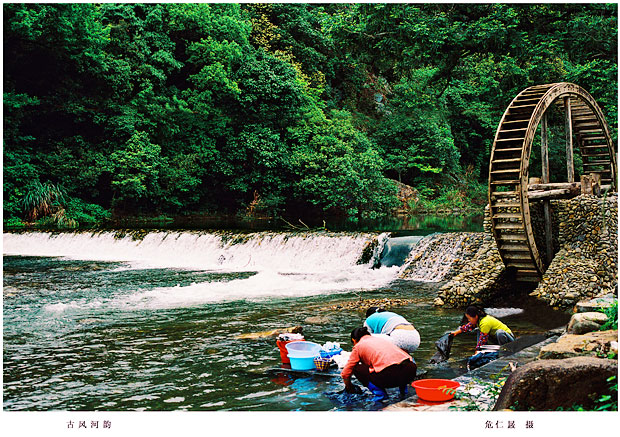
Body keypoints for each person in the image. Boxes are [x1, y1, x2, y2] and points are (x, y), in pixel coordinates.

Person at [341, 327, 417, 401]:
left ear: (354, 340)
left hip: (391, 374)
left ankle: (380, 395)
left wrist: (349, 386)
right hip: (410, 371)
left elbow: (346, 372)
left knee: (356, 368)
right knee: (398, 364)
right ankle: (404, 392)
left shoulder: (358, 346)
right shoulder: (381, 340)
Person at [450, 305, 515, 351]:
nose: (468, 320)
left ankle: (504, 350)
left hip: (509, 339)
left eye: (469, 318)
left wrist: (477, 351)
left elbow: (482, 339)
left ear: (475, 316)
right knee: (479, 331)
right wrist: (456, 332)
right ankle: (483, 349)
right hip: (497, 339)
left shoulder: (485, 322)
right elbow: (468, 326)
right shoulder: (478, 320)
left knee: (499, 332)